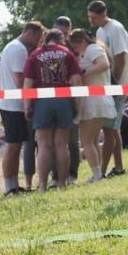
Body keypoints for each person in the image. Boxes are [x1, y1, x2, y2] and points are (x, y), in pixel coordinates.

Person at [23, 29, 82, 192]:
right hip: (63, 99)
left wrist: (27, 106)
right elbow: (77, 80)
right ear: (61, 39)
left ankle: (42, 185)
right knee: (62, 145)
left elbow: (27, 83)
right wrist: (77, 104)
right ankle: (62, 183)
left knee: (44, 146)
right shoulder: (67, 53)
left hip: (42, 100)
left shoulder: (35, 55)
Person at [87, 0, 128, 177]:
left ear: (102, 14)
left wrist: (114, 84)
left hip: (118, 84)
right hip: (111, 84)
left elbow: (120, 58)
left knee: (109, 129)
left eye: (93, 17)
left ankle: (103, 170)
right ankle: (119, 167)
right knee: (113, 128)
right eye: (89, 17)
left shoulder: (115, 28)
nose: (90, 21)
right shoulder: (100, 31)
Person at [0, 21, 44, 195]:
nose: (38, 42)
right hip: (14, 105)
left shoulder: (12, 46)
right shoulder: (19, 50)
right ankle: (10, 186)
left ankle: (14, 185)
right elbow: (21, 80)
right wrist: (29, 101)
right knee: (13, 146)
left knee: (15, 146)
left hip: (10, 103)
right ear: (30, 33)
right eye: (37, 38)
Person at [68, 29, 116, 182]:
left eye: (75, 46)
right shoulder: (91, 50)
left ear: (81, 41)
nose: (75, 50)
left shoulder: (92, 49)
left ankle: (97, 176)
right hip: (98, 99)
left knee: (87, 141)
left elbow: (104, 64)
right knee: (94, 141)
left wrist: (83, 71)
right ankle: (99, 174)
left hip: (93, 100)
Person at [53, 16, 81, 182]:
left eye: (65, 33)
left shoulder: (73, 48)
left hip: (71, 96)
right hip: (52, 96)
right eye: (60, 33)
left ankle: (72, 174)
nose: (62, 36)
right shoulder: (46, 47)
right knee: (54, 140)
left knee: (72, 139)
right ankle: (56, 175)